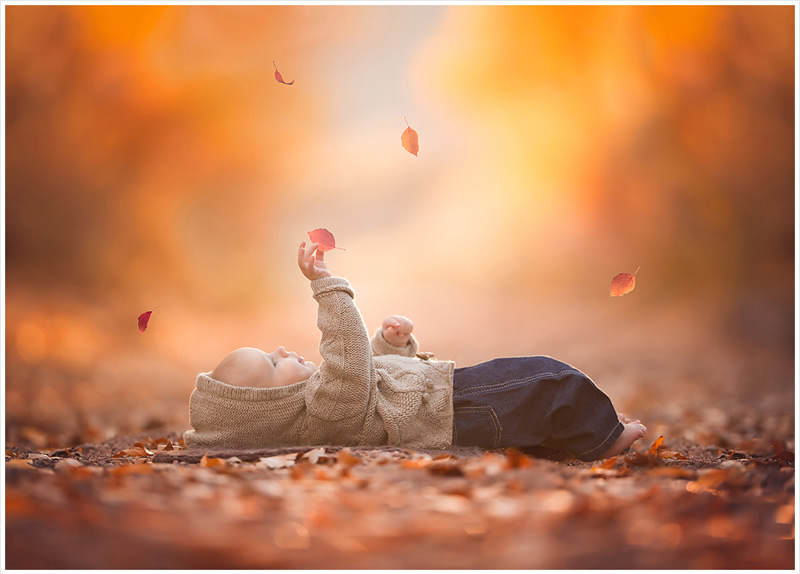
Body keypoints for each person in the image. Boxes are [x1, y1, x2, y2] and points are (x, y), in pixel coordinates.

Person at [184, 241, 647, 461]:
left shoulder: (326, 402)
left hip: (449, 398)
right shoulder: (322, 409)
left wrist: (390, 345)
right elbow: (347, 360)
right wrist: (327, 289)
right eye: (271, 361)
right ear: (269, 407)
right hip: (453, 408)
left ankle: (586, 429)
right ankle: (604, 438)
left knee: (529, 407)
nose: (282, 349)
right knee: (547, 380)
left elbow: (369, 377)